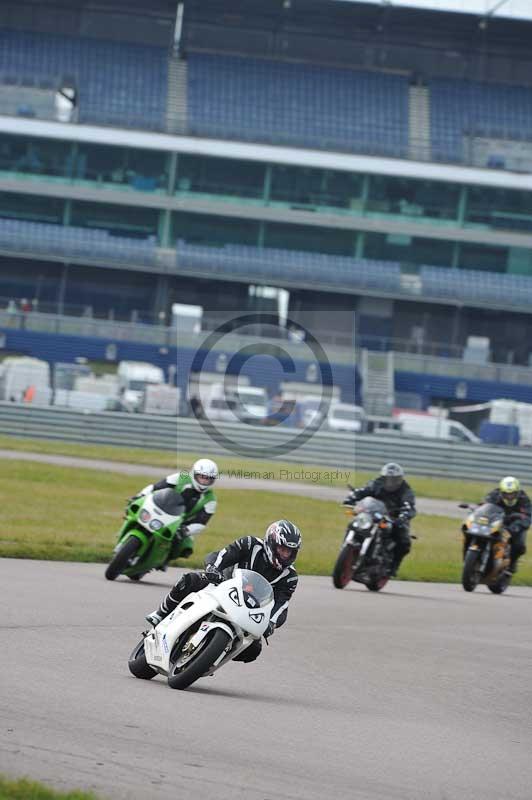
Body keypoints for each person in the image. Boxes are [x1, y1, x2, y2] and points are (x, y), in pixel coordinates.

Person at [145, 519, 302, 663]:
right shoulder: (250, 544)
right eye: (282, 549)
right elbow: (224, 554)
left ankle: (213, 658)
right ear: (272, 543)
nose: (285, 555)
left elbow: (282, 604)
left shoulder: (290, 577)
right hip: (222, 586)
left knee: (253, 650)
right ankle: (160, 614)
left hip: (249, 611)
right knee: (190, 580)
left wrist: (271, 623)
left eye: (289, 552)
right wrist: (214, 569)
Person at [132, 458, 218, 566]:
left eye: (208, 479)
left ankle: (163, 560)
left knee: (185, 546)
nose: (204, 481)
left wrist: (185, 530)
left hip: (179, 524)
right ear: (194, 474)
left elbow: (201, 523)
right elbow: (155, 487)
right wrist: (140, 496)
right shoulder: (180, 477)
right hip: (161, 509)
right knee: (136, 512)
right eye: (202, 477)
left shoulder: (211, 500)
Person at [345, 462, 416, 576]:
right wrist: (352, 499)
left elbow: (409, 506)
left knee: (404, 542)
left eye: (394, 479)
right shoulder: (376, 484)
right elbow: (363, 491)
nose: (391, 482)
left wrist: (403, 516)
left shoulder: (406, 491)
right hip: (374, 514)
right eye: (388, 479)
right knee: (353, 525)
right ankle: (346, 548)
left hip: (393, 519)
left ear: (400, 479)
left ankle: (392, 567)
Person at [484, 476, 530, 574]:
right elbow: (484, 507)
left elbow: (528, 516)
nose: (509, 496)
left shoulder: (524, 499)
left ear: (517, 492)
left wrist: (517, 526)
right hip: (496, 522)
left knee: (519, 546)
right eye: (506, 494)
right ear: (501, 492)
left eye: (512, 494)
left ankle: (511, 564)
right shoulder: (494, 495)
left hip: (515, 525)